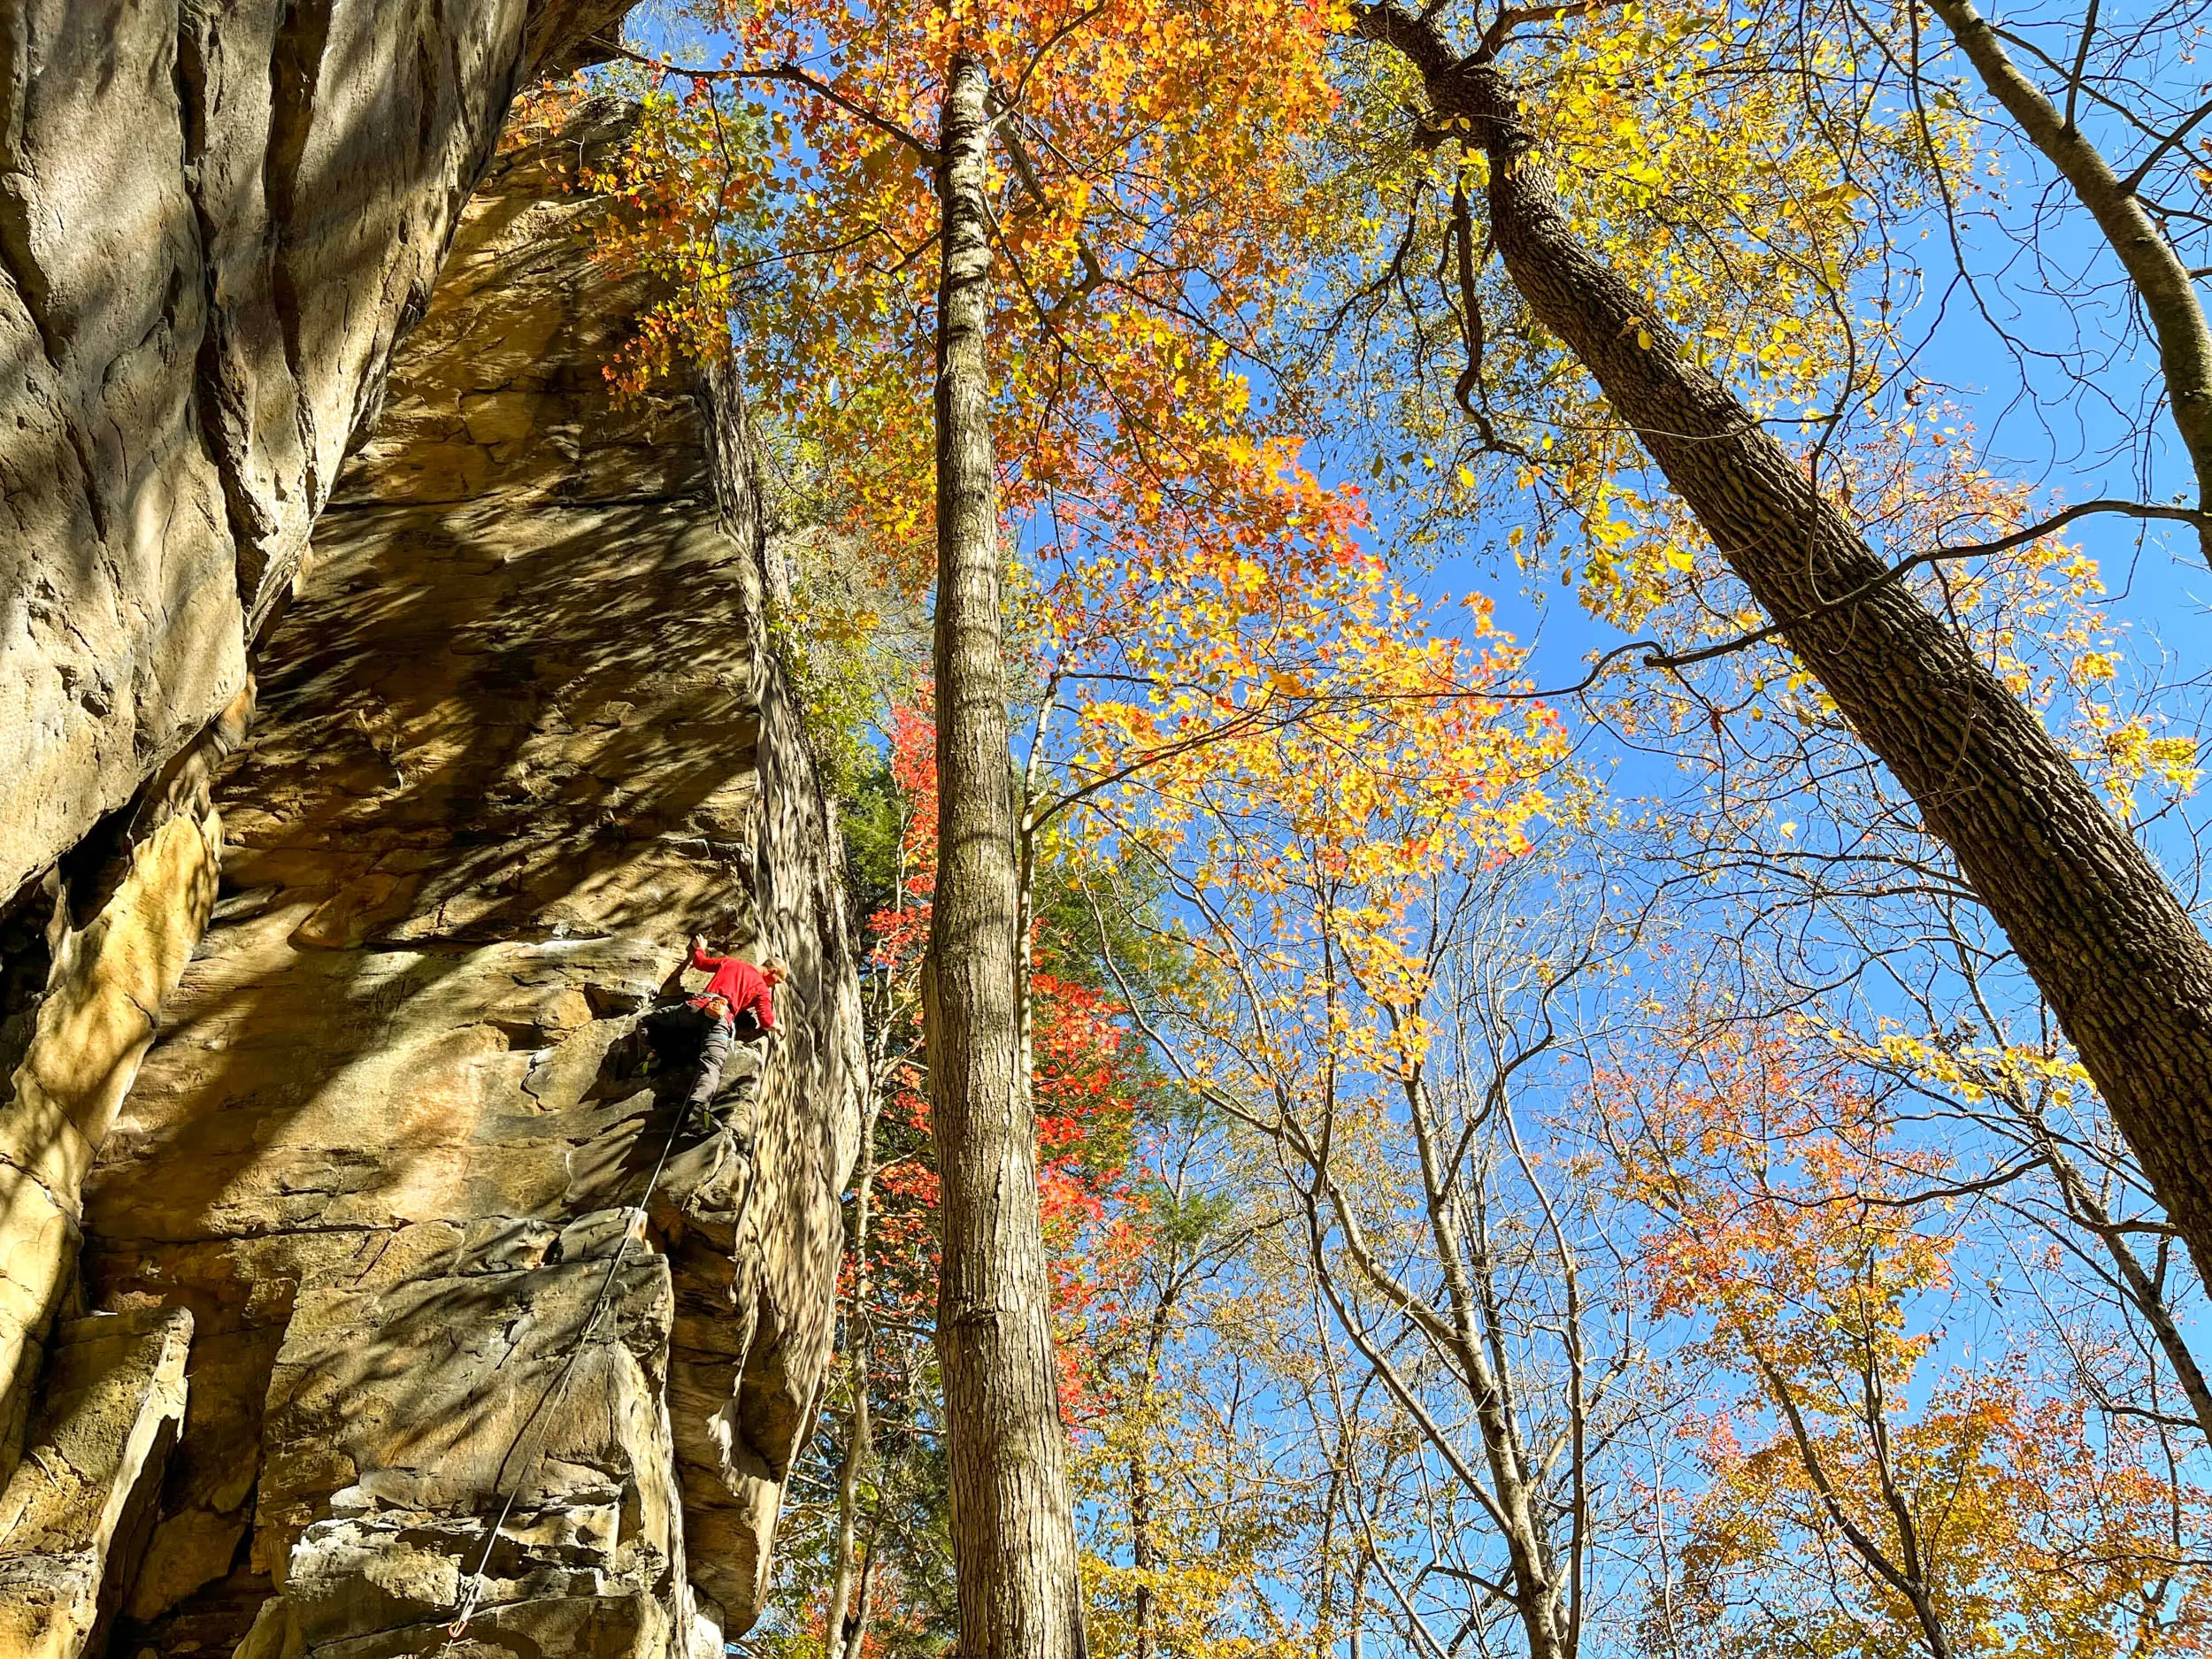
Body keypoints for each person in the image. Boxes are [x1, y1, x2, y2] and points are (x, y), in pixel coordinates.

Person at [641, 937, 787, 1133]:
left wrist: (700, 949)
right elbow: (766, 1021)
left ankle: (650, 1054)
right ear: (772, 971)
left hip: (698, 1007)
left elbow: (700, 963)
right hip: (721, 1020)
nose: (773, 986)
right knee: (712, 1065)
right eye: (776, 981)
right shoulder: (762, 989)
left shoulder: (731, 963)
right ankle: (697, 1109)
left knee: (651, 1021)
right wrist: (778, 1026)